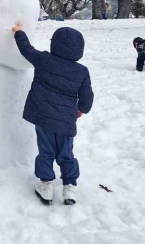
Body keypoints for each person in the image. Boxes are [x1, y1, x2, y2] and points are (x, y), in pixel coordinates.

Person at [12, 24, 94, 206]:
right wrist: (82, 109)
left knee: (46, 151)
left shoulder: (44, 60)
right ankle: (69, 186)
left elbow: (26, 49)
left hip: (44, 117)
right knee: (66, 153)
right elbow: (87, 96)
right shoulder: (81, 72)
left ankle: (46, 185)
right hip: (66, 120)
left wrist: (19, 32)